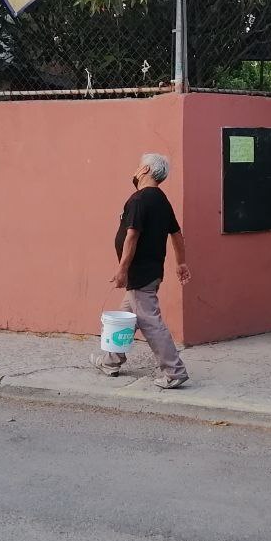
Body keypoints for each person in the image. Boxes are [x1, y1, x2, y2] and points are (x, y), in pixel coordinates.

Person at [91, 152, 191, 389]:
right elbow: (176, 234)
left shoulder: (139, 199)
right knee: (127, 316)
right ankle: (111, 361)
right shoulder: (161, 200)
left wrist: (122, 270)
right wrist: (181, 263)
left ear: (145, 170)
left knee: (150, 322)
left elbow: (131, 236)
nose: (135, 170)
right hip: (152, 271)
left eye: (138, 167)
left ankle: (174, 370)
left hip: (139, 273)